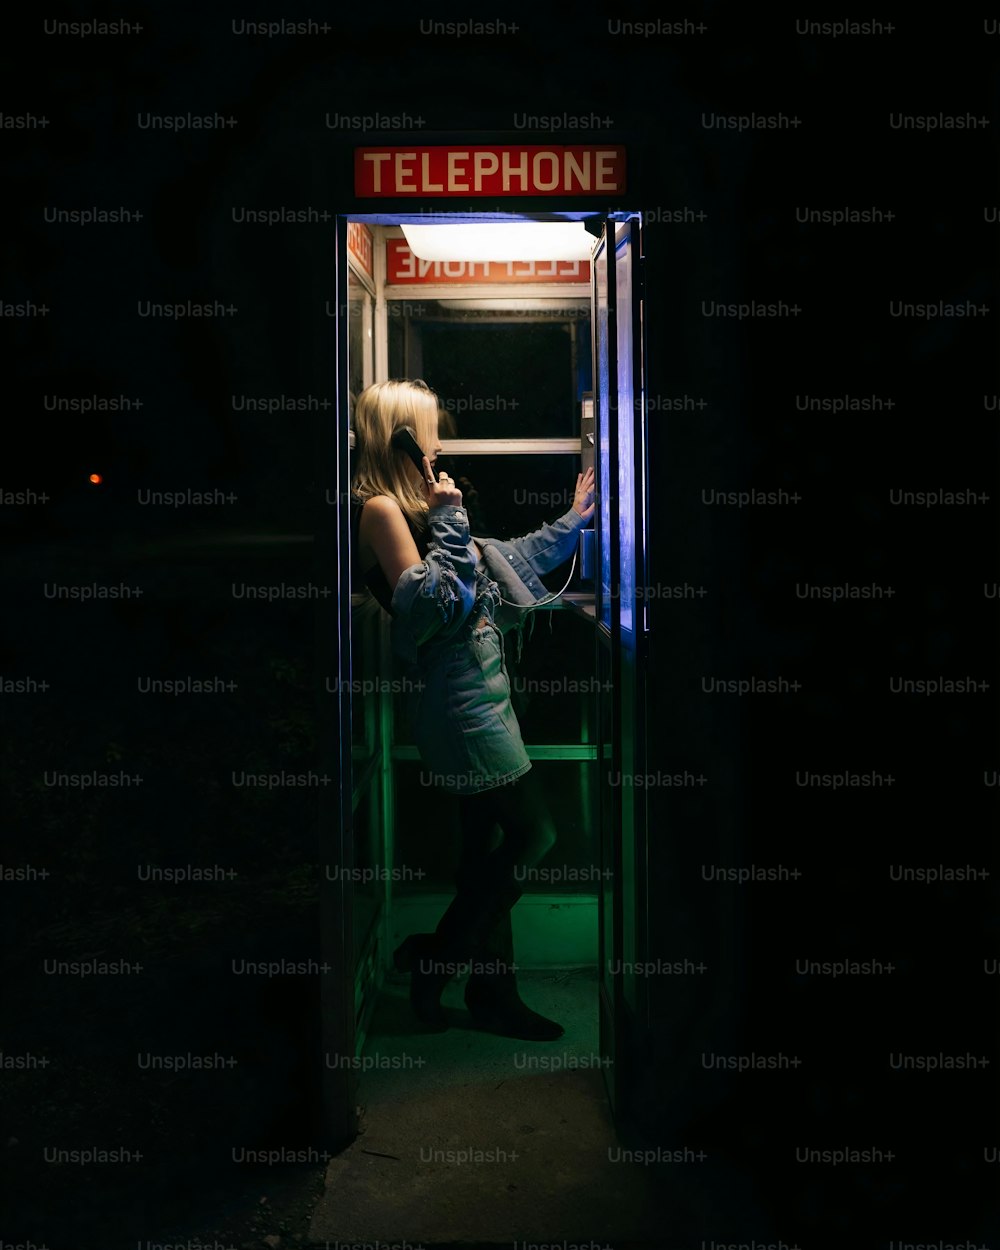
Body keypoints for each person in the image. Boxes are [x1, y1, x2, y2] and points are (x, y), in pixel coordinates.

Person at [350, 378, 595, 1040]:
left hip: (487, 698)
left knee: (485, 854)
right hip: (459, 708)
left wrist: (575, 519)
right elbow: (435, 608)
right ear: (399, 435)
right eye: (427, 428)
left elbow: (505, 560)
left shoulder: (424, 507)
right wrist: (451, 517)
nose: (438, 439)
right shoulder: (382, 511)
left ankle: (493, 992)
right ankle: (436, 958)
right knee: (532, 834)